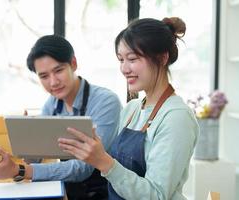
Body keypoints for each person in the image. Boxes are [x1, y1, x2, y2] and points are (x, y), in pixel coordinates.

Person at [58, 17, 199, 200]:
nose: (124, 68)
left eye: (132, 59)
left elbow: (156, 195)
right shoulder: (132, 109)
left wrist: (104, 161)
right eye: (121, 59)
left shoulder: (177, 118)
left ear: (162, 58)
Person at [0, 35, 122, 200]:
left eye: (58, 71)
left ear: (73, 64)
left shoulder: (106, 102)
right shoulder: (52, 104)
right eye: (44, 76)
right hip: (71, 190)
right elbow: (37, 154)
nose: (53, 82)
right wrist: (17, 148)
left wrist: (20, 170)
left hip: (102, 193)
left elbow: (83, 168)